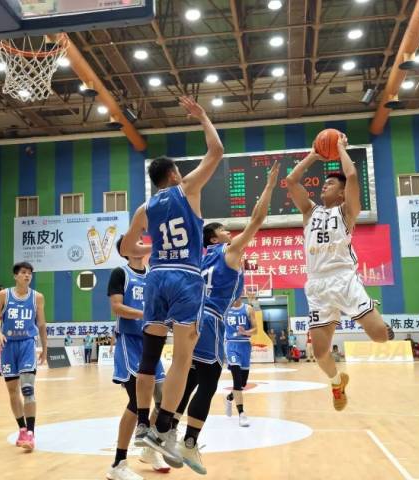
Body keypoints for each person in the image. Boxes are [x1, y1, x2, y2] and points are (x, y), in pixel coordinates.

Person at [120, 96, 223, 467]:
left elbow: (126, 247)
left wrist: (148, 250)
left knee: (150, 357)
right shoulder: (187, 188)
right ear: (175, 175)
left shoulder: (144, 208)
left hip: (156, 278)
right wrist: (203, 116)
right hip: (185, 278)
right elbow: (216, 151)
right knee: (182, 358)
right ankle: (164, 427)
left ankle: (143, 424)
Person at [172, 162, 279, 474]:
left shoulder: (200, 258)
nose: (229, 233)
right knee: (208, 381)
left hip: (190, 318)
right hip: (210, 319)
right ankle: (189, 442)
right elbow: (257, 220)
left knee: (190, 379)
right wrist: (269, 186)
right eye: (223, 230)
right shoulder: (226, 252)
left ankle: (167, 430)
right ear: (214, 239)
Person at [286, 133, 392, 411]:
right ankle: (337, 382)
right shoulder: (310, 211)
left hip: (344, 280)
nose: (325, 186)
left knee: (380, 336)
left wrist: (341, 148)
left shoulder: (347, 212)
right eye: (324, 183)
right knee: (320, 353)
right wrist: (313, 154)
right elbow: (291, 181)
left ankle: (379, 320)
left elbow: (352, 175)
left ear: (343, 193)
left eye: (331, 184)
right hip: (317, 286)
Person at [106, 237, 169, 480]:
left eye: (142, 241)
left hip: (151, 342)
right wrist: (146, 314)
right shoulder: (120, 273)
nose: (141, 244)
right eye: (135, 242)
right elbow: (117, 307)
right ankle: (118, 463)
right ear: (126, 250)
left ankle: (148, 449)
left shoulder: (153, 274)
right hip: (129, 342)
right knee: (136, 401)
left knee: (164, 401)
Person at [0, 262, 48, 452]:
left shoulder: (37, 297)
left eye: (29, 273)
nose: (27, 275)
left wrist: (45, 348)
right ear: (15, 276)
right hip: (8, 346)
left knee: (28, 389)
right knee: (13, 391)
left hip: (27, 344)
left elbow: (42, 325)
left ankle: (31, 433)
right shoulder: (4, 295)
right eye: (23, 272)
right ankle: (22, 429)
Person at [224, 294, 257, 426]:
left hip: (245, 346)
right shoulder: (225, 309)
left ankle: (229, 397)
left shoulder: (248, 309)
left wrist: (245, 332)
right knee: (237, 380)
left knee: (242, 384)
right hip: (231, 345)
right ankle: (241, 414)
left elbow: (256, 330)